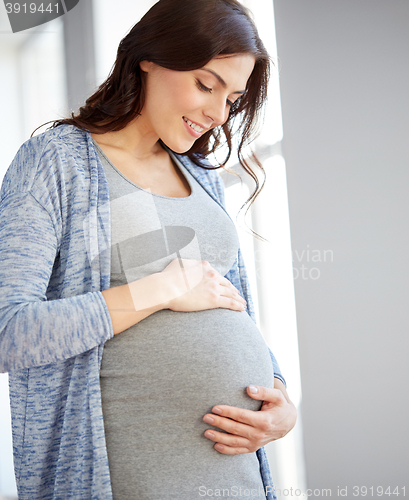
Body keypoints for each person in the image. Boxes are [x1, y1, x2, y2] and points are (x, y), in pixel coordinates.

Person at [0, 0, 297, 498]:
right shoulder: (57, 162)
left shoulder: (201, 175)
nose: (216, 113)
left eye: (232, 99)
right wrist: (158, 290)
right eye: (205, 84)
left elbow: (231, 304)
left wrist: (280, 397)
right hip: (126, 479)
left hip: (236, 479)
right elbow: (10, 333)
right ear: (150, 56)